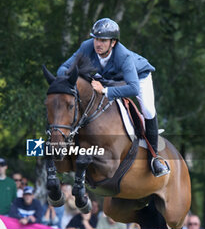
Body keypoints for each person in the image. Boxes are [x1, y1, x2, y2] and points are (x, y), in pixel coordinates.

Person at [57, 18, 169, 178]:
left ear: (113, 42)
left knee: (149, 110)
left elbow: (133, 88)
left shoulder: (123, 56)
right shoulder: (86, 47)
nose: (98, 43)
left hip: (138, 78)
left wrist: (105, 91)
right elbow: (63, 68)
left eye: (103, 40)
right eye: (96, 38)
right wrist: (68, 78)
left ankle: (154, 157)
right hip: (110, 78)